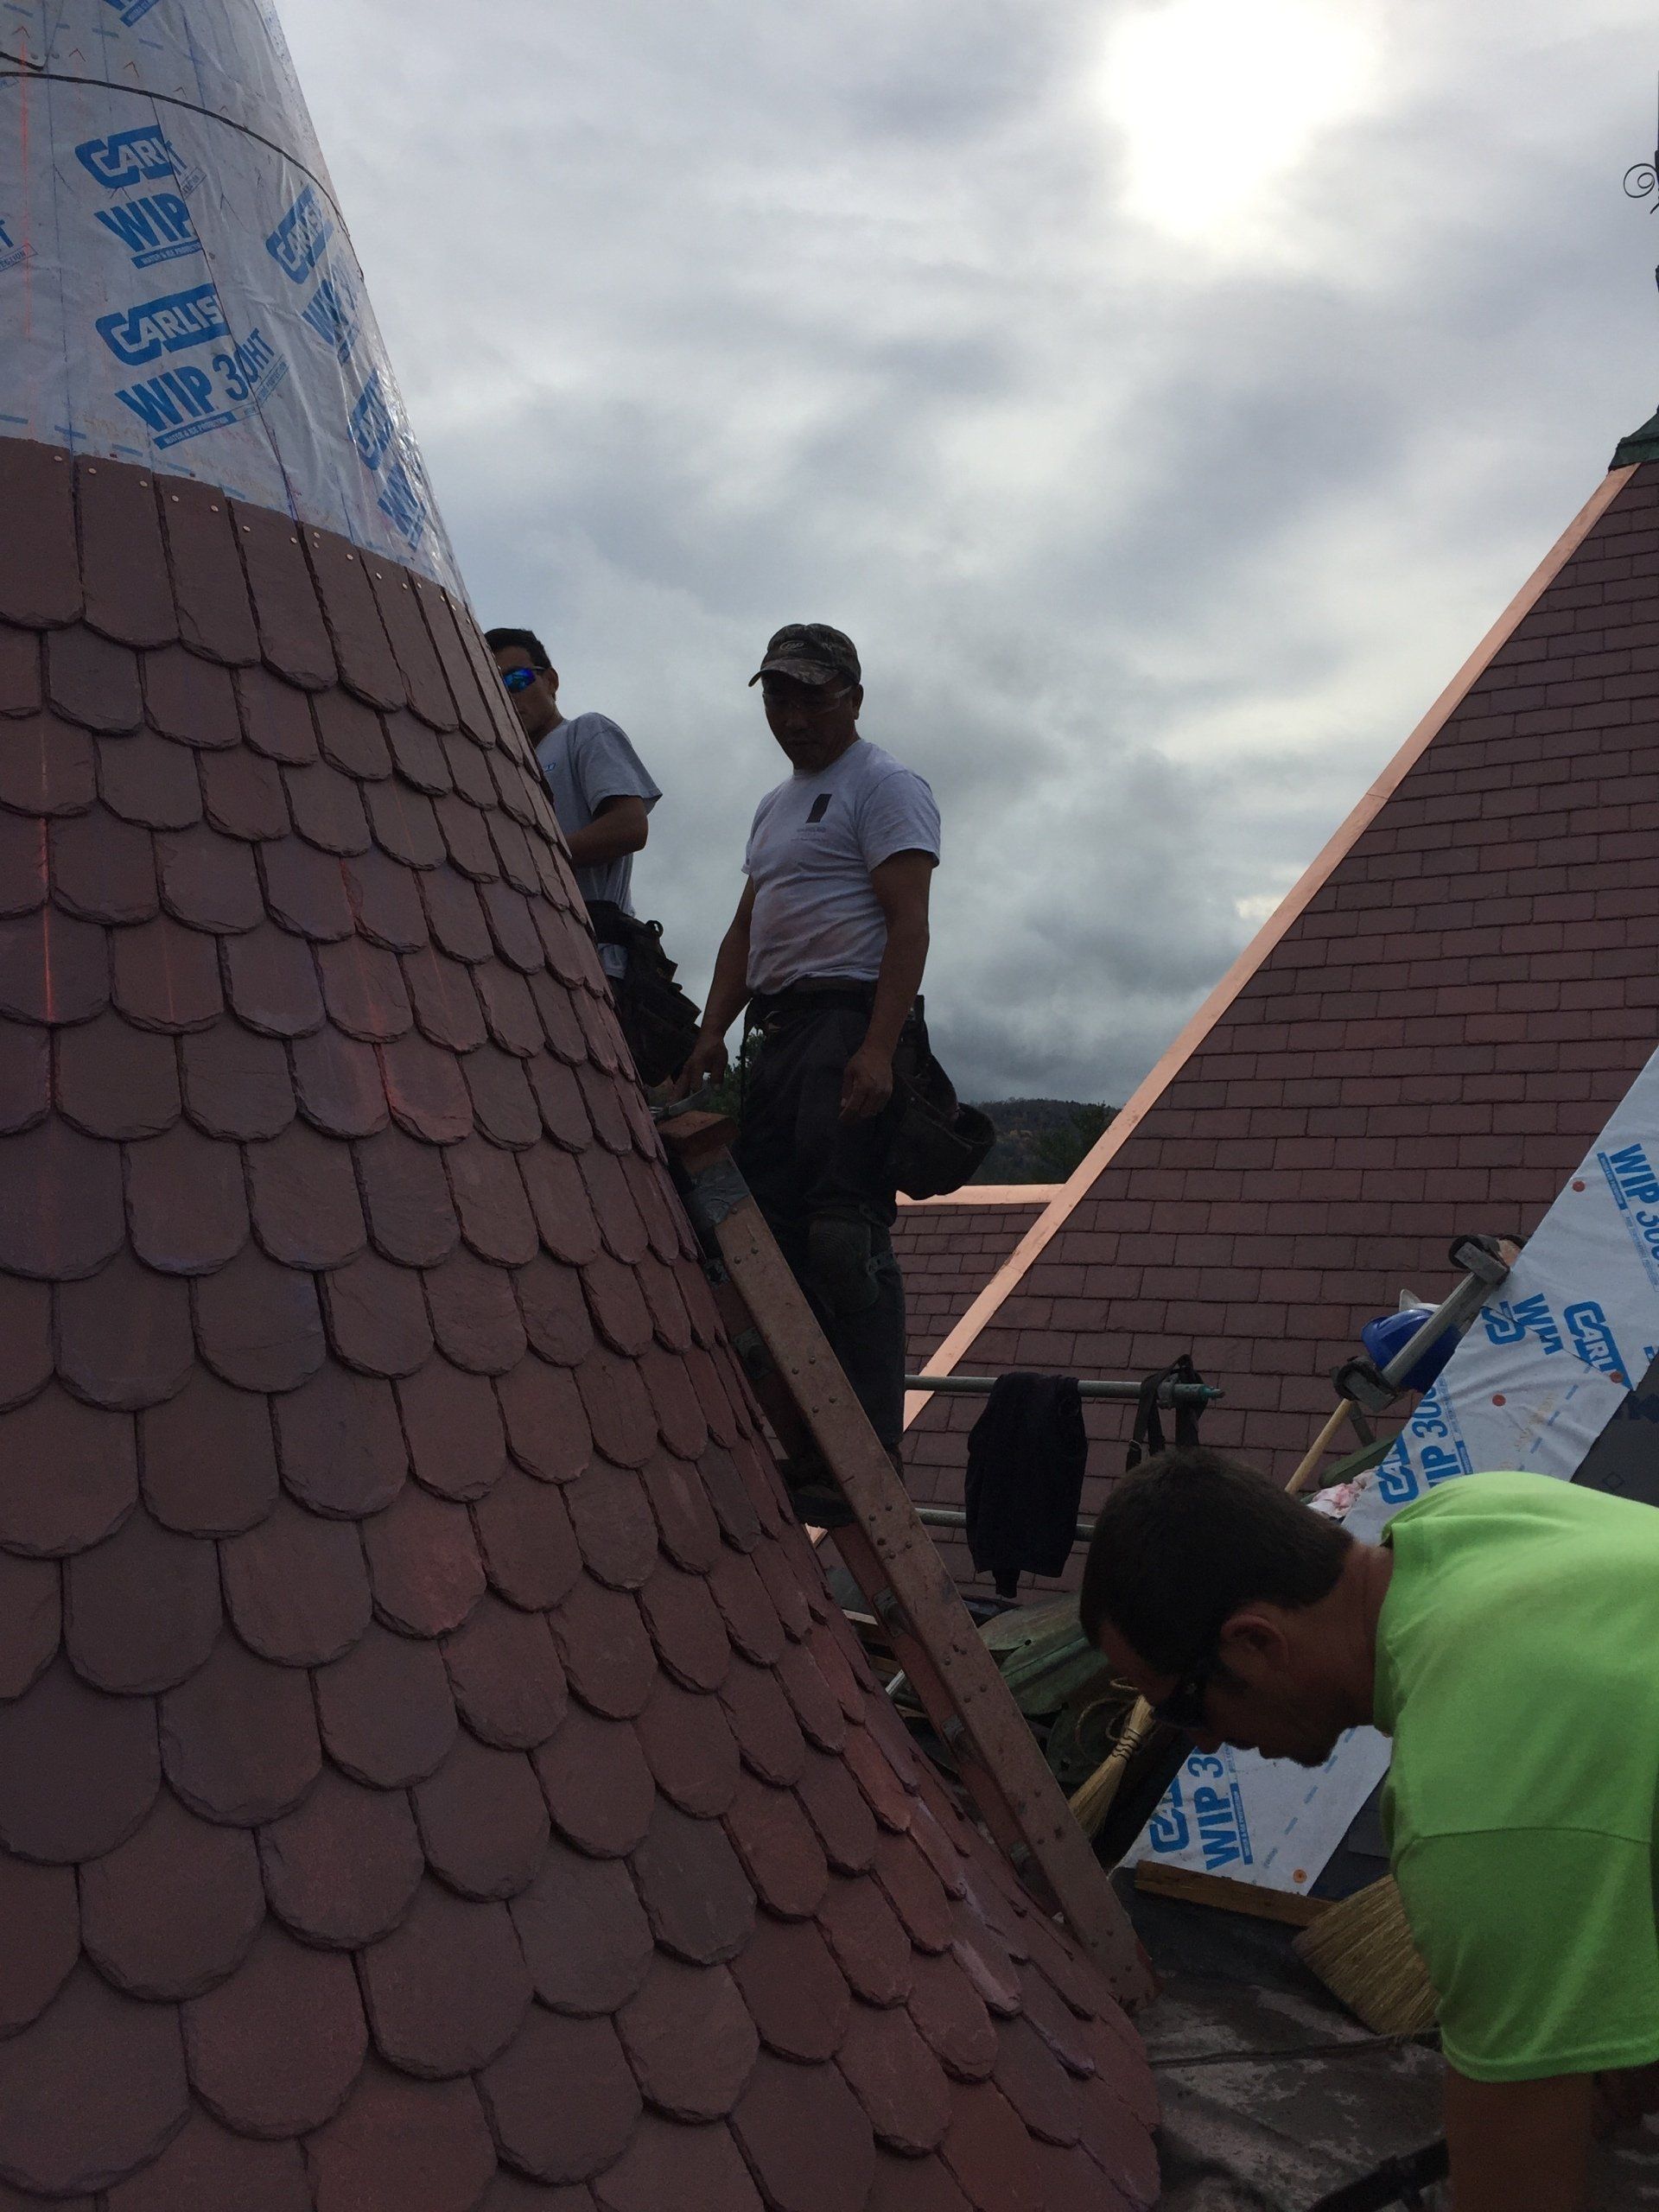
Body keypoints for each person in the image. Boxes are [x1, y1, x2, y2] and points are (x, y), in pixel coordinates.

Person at [1078, 1446, 1659, 2212]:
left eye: (1186, 1709)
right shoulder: (1476, 1512)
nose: (1206, 1744)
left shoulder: (1474, 1803)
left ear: (1256, 1643)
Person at [674, 622, 939, 1460]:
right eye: (779, 696)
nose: (793, 714)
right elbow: (747, 928)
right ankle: (807, 1440)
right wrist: (713, 1027)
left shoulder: (884, 783)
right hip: (778, 1036)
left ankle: (868, 1447)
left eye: (811, 695)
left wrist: (877, 1045)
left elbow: (908, 927)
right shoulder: (773, 806)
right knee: (778, 1241)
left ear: (853, 698)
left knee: (844, 1236)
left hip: (846, 1022)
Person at [486, 624, 663, 1012]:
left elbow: (631, 826)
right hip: (525, 960)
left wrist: (532, 858)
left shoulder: (585, 732)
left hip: (593, 959)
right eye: (491, 686)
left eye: (516, 679)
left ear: (550, 680)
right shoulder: (498, 765)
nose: (507, 694)